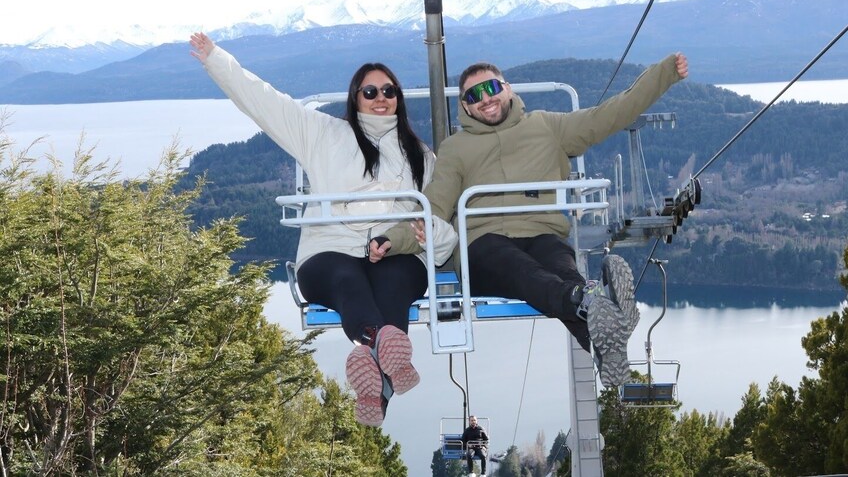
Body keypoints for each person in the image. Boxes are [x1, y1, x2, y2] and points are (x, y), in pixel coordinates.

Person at [372, 53, 689, 387]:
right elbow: (434, 207)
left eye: (491, 88)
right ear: (465, 107)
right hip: (484, 246)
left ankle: (601, 343)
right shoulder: (456, 148)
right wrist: (392, 240)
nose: (485, 100)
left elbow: (609, 116)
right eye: (473, 96)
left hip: (543, 233)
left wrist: (664, 74)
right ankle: (587, 303)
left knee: (560, 269)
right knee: (520, 269)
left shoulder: (546, 126)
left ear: (507, 89)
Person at [189, 32, 456, 427]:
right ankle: (384, 352)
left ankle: (371, 356)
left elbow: (436, 215)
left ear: (398, 97)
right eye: (370, 91)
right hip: (329, 251)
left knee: (396, 280)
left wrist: (422, 238)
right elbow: (264, 102)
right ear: (355, 97)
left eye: (389, 90)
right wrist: (216, 59)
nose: (380, 97)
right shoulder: (324, 134)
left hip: (394, 251)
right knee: (348, 277)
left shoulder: (420, 156)